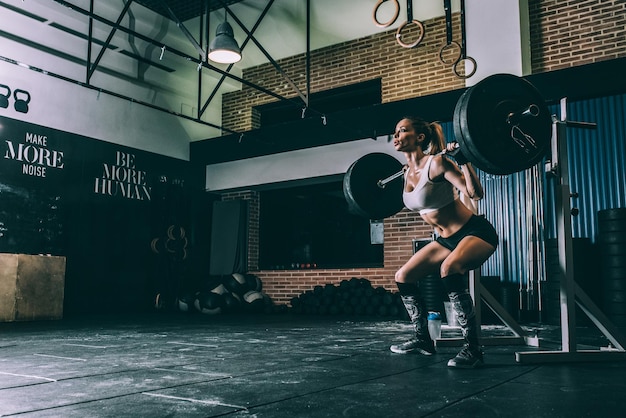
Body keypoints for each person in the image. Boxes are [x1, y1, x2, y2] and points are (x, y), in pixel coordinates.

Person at [389, 116, 499, 369]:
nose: (396, 136)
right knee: (404, 275)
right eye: (394, 132)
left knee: (449, 269)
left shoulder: (437, 163)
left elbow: (475, 193)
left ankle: (473, 349)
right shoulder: (406, 173)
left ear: (419, 137)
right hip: (446, 239)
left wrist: (463, 160)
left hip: (475, 232)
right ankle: (423, 340)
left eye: (402, 131)